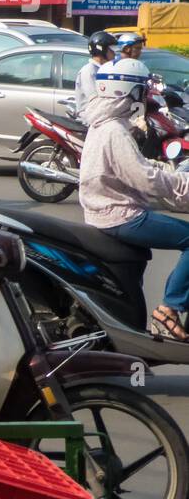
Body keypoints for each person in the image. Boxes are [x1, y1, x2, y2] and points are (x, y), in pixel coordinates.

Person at [81, 58, 189, 340]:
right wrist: (181, 185)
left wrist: (163, 171)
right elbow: (144, 179)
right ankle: (169, 309)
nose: (146, 95)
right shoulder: (115, 131)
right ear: (129, 92)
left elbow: (133, 168)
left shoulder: (102, 124)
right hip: (120, 215)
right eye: (142, 90)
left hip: (103, 210)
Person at [75, 30, 117, 124]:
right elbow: (95, 101)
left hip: (104, 116)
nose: (114, 53)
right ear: (101, 50)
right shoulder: (89, 71)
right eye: (111, 50)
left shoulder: (105, 70)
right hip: (90, 119)